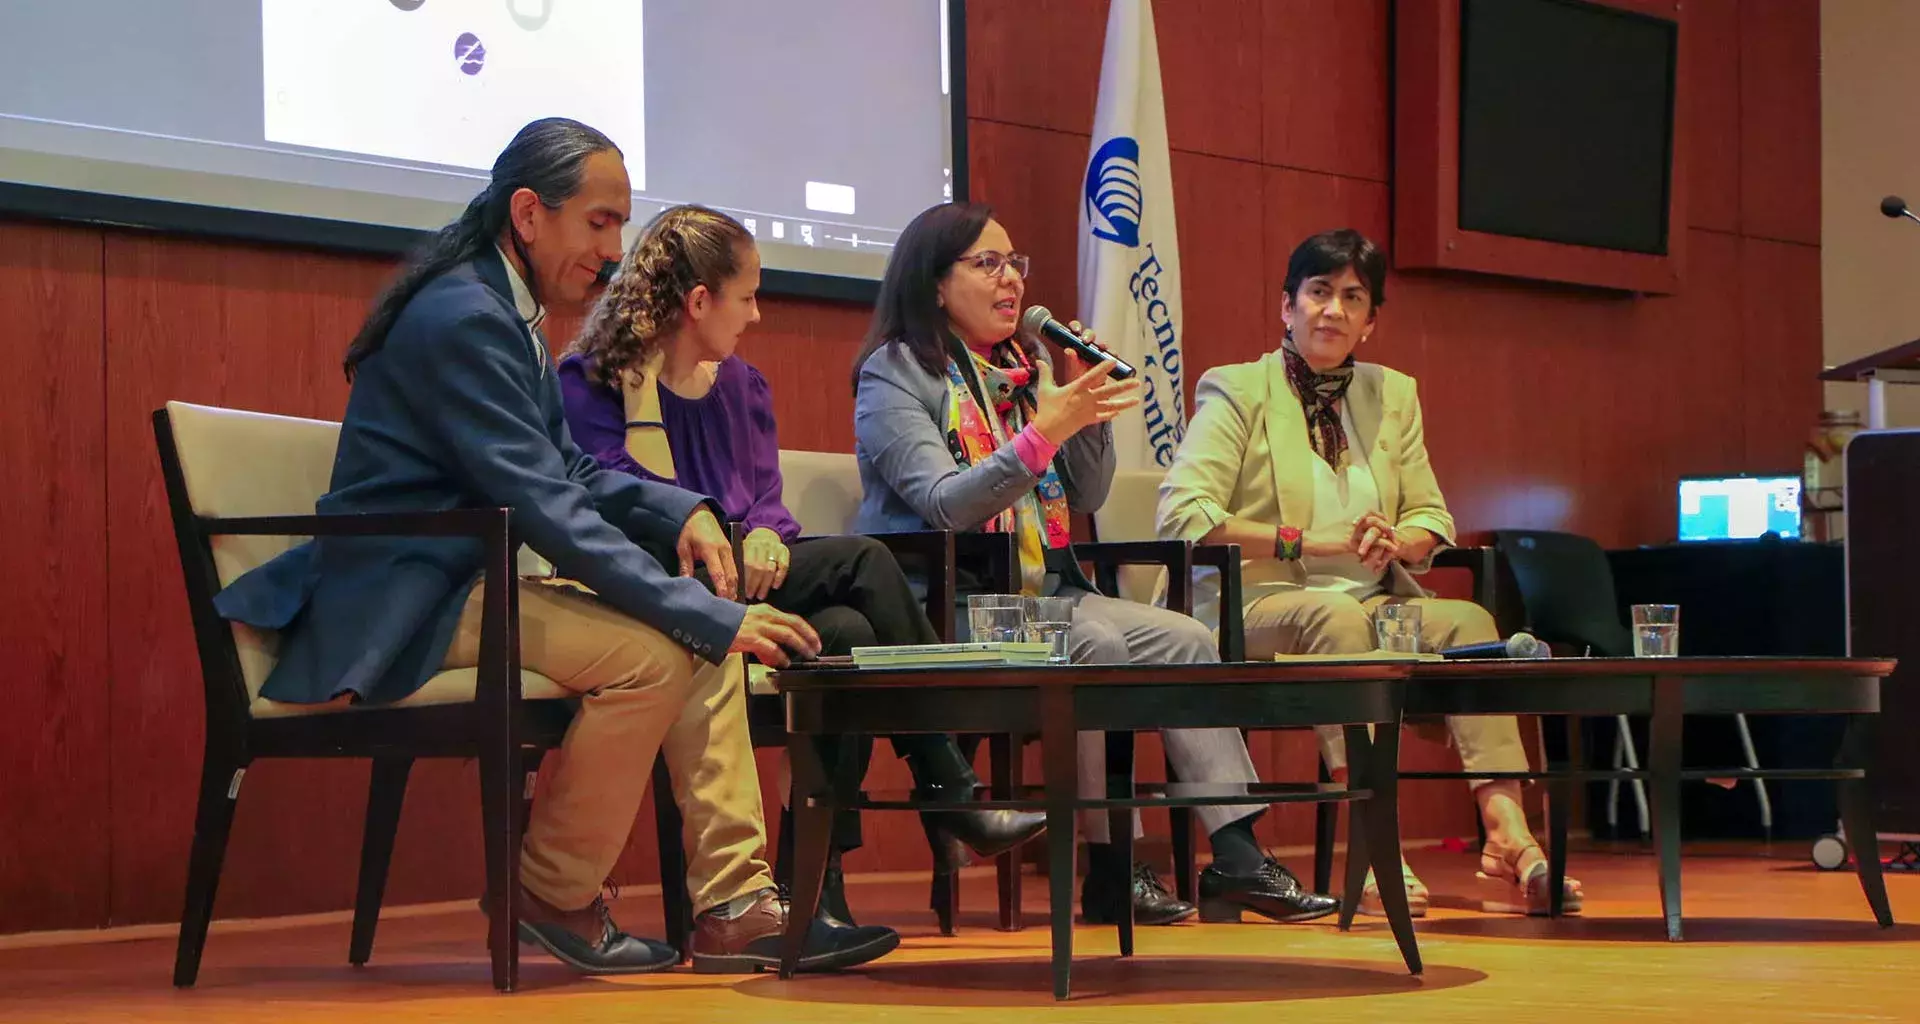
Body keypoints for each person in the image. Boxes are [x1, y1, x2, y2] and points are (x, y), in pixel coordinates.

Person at [210, 119, 900, 974]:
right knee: (665, 648)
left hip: (461, 574)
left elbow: (566, 466)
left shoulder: (501, 306)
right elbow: (544, 505)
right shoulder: (466, 317)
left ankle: (732, 906)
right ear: (530, 214)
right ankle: (552, 891)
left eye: (619, 226)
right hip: (405, 591)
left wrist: (677, 508)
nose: (615, 251)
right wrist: (704, 612)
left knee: (693, 630)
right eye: (600, 223)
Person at [849, 201, 1339, 927]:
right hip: (953, 603)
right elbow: (946, 505)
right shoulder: (895, 376)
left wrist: (1083, 413)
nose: (1010, 279)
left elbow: (1088, 493)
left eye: (1015, 263)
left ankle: (1237, 855)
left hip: (1045, 592)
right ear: (933, 283)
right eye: (987, 264)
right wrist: (1047, 429)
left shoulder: (1028, 368)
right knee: (1096, 645)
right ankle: (1111, 869)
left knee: (1186, 638)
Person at [556, 203, 1047, 924]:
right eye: (747, 296)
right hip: (656, 583)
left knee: (845, 631)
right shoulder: (592, 380)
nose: (756, 315)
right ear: (699, 302)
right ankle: (947, 787)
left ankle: (818, 888)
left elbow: (767, 505)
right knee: (867, 563)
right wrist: (728, 526)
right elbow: (607, 493)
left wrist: (765, 536)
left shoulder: (743, 389)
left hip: (747, 575)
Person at [1156, 228, 1585, 917]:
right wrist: (1307, 543)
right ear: (1287, 307)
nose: (1333, 310)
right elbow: (1185, 515)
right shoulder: (1237, 389)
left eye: (1351, 298)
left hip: (1371, 603)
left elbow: (1431, 516)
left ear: (1370, 320)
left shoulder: (1393, 394)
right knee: (1338, 616)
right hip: (1251, 607)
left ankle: (1507, 833)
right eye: (1318, 292)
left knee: (1471, 620)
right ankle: (1376, 840)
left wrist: (1401, 541)